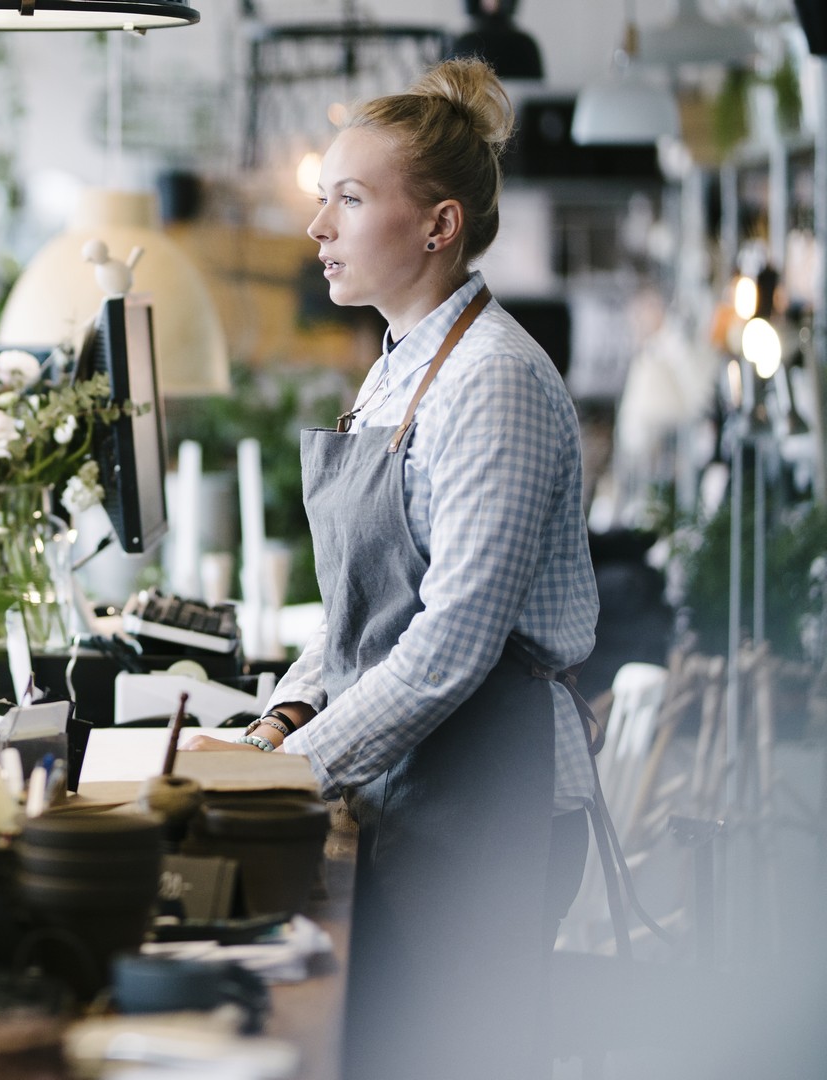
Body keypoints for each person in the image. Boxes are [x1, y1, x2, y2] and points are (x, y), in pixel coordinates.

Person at [185, 58, 597, 1080]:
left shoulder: (492, 380)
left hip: (486, 803)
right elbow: (360, 615)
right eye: (322, 199)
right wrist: (281, 718)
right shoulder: (400, 365)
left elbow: (451, 644)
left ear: (438, 226)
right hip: (411, 783)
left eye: (351, 199)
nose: (318, 228)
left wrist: (293, 776)